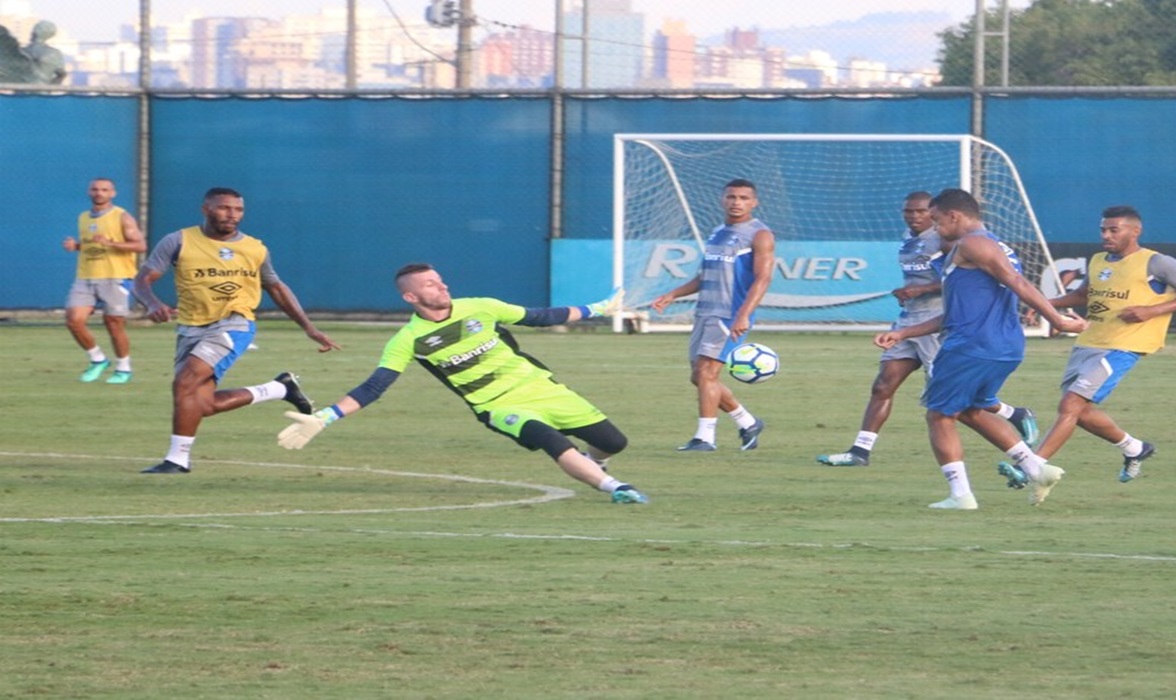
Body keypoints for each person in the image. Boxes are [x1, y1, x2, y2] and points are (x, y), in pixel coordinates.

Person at [276, 264, 648, 504]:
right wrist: (323, 417)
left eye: (440, 280)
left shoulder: (481, 306)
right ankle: (616, 488)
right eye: (430, 285)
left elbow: (540, 317)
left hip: (543, 388)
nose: (442, 286)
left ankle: (592, 465)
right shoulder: (408, 339)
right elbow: (374, 387)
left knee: (613, 442)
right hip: (498, 406)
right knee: (552, 441)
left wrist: (598, 309)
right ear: (411, 297)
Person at [874, 188, 1087, 510]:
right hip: (1003, 344)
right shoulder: (990, 245)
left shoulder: (972, 243)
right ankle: (1035, 468)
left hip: (972, 344)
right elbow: (961, 309)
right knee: (971, 410)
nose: (934, 227)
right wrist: (906, 332)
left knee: (940, 415)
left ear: (954, 216)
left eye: (936, 220)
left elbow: (1019, 284)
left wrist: (1056, 318)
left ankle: (961, 495)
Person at [817, 191, 1038, 467]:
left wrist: (922, 289)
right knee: (884, 383)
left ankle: (1013, 418)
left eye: (923, 212)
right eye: (909, 212)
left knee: (950, 401)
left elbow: (963, 278)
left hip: (942, 321)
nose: (916, 217)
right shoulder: (909, 238)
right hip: (910, 319)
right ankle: (860, 451)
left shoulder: (949, 239)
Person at [132, 187, 340, 474]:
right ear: (206, 209)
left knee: (184, 383)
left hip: (235, 323)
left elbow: (276, 288)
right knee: (199, 404)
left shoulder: (255, 248)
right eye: (224, 208)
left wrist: (309, 328)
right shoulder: (178, 241)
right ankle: (279, 388)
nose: (232, 215)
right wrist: (152, 303)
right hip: (191, 327)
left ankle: (176, 460)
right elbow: (142, 280)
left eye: (238, 210)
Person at [1011, 205, 1176, 491]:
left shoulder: (1157, 263)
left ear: (1135, 231)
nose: (1106, 235)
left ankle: (1031, 466)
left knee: (1070, 406)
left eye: (1114, 229)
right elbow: (1081, 295)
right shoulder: (1099, 260)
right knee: (1081, 413)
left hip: (1124, 347)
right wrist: (1044, 305)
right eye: (1103, 229)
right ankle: (1134, 448)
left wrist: (1150, 311)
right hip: (1089, 343)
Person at [650, 178, 775, 452]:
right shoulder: (718, 232)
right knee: (699, 377)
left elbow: (763, 278)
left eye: (743, 198)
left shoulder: (759, 234)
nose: (737, 203)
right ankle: (747, 422)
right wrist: (673, 294)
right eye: (731, 197)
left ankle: (705, 438)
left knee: (707, 373)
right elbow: (704, 276)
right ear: (722, 200)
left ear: (754, 202)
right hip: (705, 311)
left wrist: (743, 315)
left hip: (730, 314)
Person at [62, 178, 145, 384]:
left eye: (104, 190)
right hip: (86, 276)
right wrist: (77, 246)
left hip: (116, 276)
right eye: (95, 189)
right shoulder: (83, 217)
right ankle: (98, 359)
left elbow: (140, 245)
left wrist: (110, 242)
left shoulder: (122, 217)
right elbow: (93, 245)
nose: (99, 193)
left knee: (113, 324)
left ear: (113, 193)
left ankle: (123, 367)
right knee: (73, 320)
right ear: (89, 192)